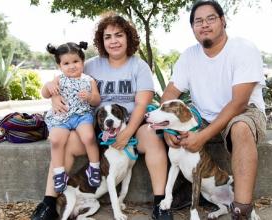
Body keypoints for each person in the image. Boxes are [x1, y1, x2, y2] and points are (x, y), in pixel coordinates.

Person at [31, 14, 173, 220]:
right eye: (108, 37)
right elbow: (63, 77)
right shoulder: (90, 65)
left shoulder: (138, 66)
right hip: (96, 128)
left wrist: (127, 134)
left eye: (119, 35)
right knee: (67, 141)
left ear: (128, 38)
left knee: (153, 137)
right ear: (101, 41)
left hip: (129, 125)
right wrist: (54, 97)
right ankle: (49, 203)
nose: (113, 41)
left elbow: (142, 104)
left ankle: (161, 204)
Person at [161, 0, 266, 219]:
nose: (204, 25)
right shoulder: (189, 55)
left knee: (240, 129)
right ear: (193, 29)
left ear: (223, 21)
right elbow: (170, 93)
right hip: (204, 115)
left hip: (244, 111)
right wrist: (168, 129)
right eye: (198, 21)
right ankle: (181, 192)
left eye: (211, 18)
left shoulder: (243, 48)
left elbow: (239, 102)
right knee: (165, 129)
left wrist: (203, 136)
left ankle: (241, 209)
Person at [42, 42, 101, 193]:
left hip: (82, 115)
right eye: (66, 63)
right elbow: (45, 93)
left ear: (82, 61)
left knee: (88, 137)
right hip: (62, 116)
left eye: (75, 61)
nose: (72, 66)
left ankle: (94, 168)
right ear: (59, 65)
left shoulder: (89, 80)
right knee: (55, 140)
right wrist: (48, 85)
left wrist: (89, 96)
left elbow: (96, 100)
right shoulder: (58, 79)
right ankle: (59, 173)